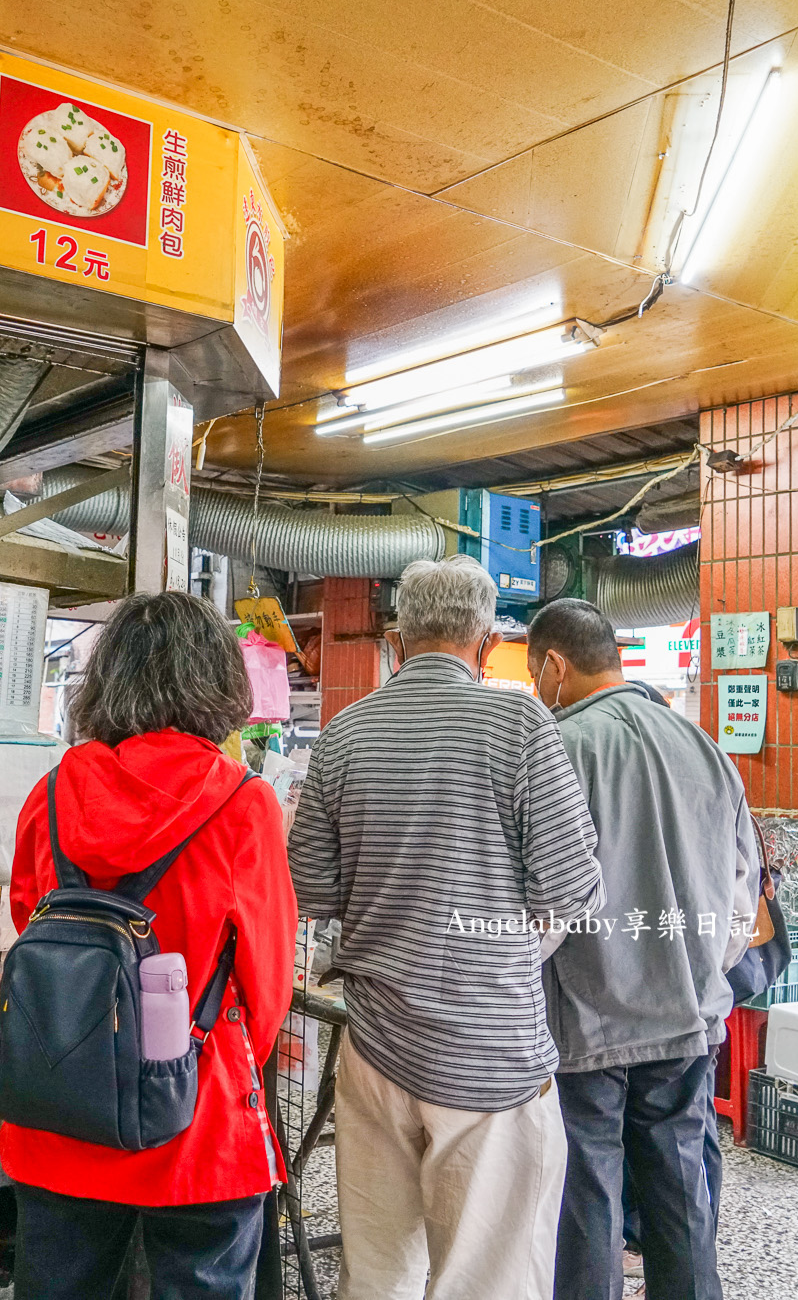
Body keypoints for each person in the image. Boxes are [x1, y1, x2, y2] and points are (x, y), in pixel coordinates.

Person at [290, 555, 603, 1300]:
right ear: (487, 640)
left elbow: (311, 887)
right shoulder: (520, 722)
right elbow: (570, 886)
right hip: (490, 1055)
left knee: (376, 1272)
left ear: (397, 640)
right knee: (487, 1276)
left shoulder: (345, 732)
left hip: (374, 1048)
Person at [0, 591, 297, 1300]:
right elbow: (268, 974)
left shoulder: (53, 790)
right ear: (219, 681)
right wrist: (205, 1054)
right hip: (197, 1110)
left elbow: (27, 916)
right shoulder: (243, 802)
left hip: (61, 1100)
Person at [525, 598, 763, 1300]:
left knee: (588, 1187)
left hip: (588, 1019)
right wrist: (697, 976)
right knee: (679, 1185)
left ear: (554, 666)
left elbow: (545, 904)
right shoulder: (705, 748)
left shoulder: (559, 750)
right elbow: (742, 895)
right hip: (688, 1015)